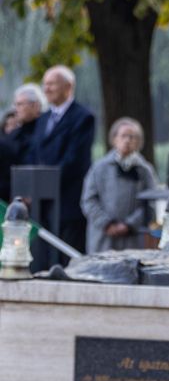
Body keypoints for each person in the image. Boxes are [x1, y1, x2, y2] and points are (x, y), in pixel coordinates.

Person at [30, 66, 96, 253]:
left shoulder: (83, 117)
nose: (46, 89)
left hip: (68, 203)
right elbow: (34, 153)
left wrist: (44, 182)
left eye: (52, 84)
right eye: (45, 84)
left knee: (68, 256)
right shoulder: (42, 119)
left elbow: (74, 160)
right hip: (42, 205)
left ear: (68, 87)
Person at [80, 118, 158, 254]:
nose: (127, 140)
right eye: (123, 136)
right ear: (114, 139)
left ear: (139, 142)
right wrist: (106, 224)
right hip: (103, 237)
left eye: (132, 137)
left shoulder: (145, 170)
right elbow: (89, 200)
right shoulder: (99, 168)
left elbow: (150, 203)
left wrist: (129, 224)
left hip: (133, 239)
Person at [10, 83, 46, 163]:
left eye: (19, 104)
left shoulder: (48, 130)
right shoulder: (14, 134)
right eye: (15, 105)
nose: (15, 109)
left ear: (35, 105)